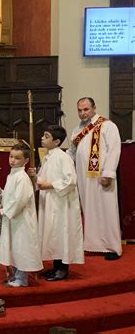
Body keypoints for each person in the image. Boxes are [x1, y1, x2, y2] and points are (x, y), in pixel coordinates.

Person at [67, 97, 122, 260]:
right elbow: (71, 152)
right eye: (80, 110)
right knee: (89, 209)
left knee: (107, 209)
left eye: (86, 109)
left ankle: (112, 247)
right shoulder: (77, 130)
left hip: (101, 176)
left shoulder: (108, 126)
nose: (83, 113)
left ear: (94, 108)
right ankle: (94, 244)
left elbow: (114, 150)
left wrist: (108, 173)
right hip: (84, 178)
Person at [31, 126, 84, 281]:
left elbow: (71, 180)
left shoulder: (63, 157)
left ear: (56, 141)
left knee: (62, 233)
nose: (42, 138)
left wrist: (50, 185)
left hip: (62, 203)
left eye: (46, 136)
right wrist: (35, 178)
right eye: (43, 135)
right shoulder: (48, 157)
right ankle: (55, 266)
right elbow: (42, 179)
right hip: (50, 202)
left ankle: (63, 268)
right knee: (53, 234)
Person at [0, 142, 42, 287]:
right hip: (13, 219)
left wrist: (2, 211)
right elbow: (11, 196)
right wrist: (1, 192)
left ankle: (22, 278)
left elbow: (19, 201)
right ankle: (15, 275)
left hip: (22, 221)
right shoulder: (13, 175)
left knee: (21, 246)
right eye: (11, 156)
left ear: (26, 161)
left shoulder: (22, 177)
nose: (12, 160)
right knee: (14, 246)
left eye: (17, 158)